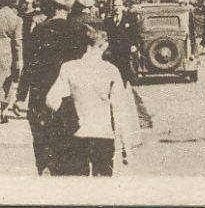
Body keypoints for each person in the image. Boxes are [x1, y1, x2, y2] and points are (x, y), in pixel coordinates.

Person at [45, 28, 140, 176]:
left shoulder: (69, 67)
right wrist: (125, 146)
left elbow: (51, 99)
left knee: (78, 186)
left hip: (76, 134)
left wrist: (68, 115)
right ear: (104, 46)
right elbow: (119, 110)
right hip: (103, 134)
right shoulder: (111, 70)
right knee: (102, 188)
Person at [20, 0, 94, 174]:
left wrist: (20, 95)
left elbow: (29, 64)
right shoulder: (77, 33)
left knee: (42, 135)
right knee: (68, 137)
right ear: (66, 11)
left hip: (41, 94)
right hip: (68, 96)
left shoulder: (38, 31)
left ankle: (44, 166)